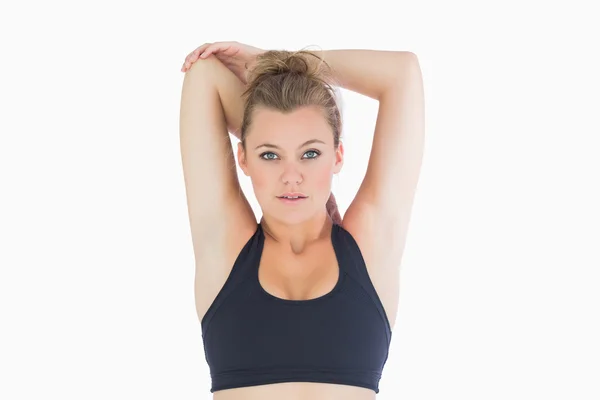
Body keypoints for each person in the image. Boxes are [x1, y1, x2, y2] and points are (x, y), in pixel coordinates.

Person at [179, 41, 424, 400]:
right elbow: (204, 73)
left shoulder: (370, 247)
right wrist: (278, 77)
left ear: (337, 155)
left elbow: (403, 73)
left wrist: (284, 65)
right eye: (270, 155)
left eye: (310, 153)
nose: (291, 177)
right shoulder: (225, 245)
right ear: (243, 158)